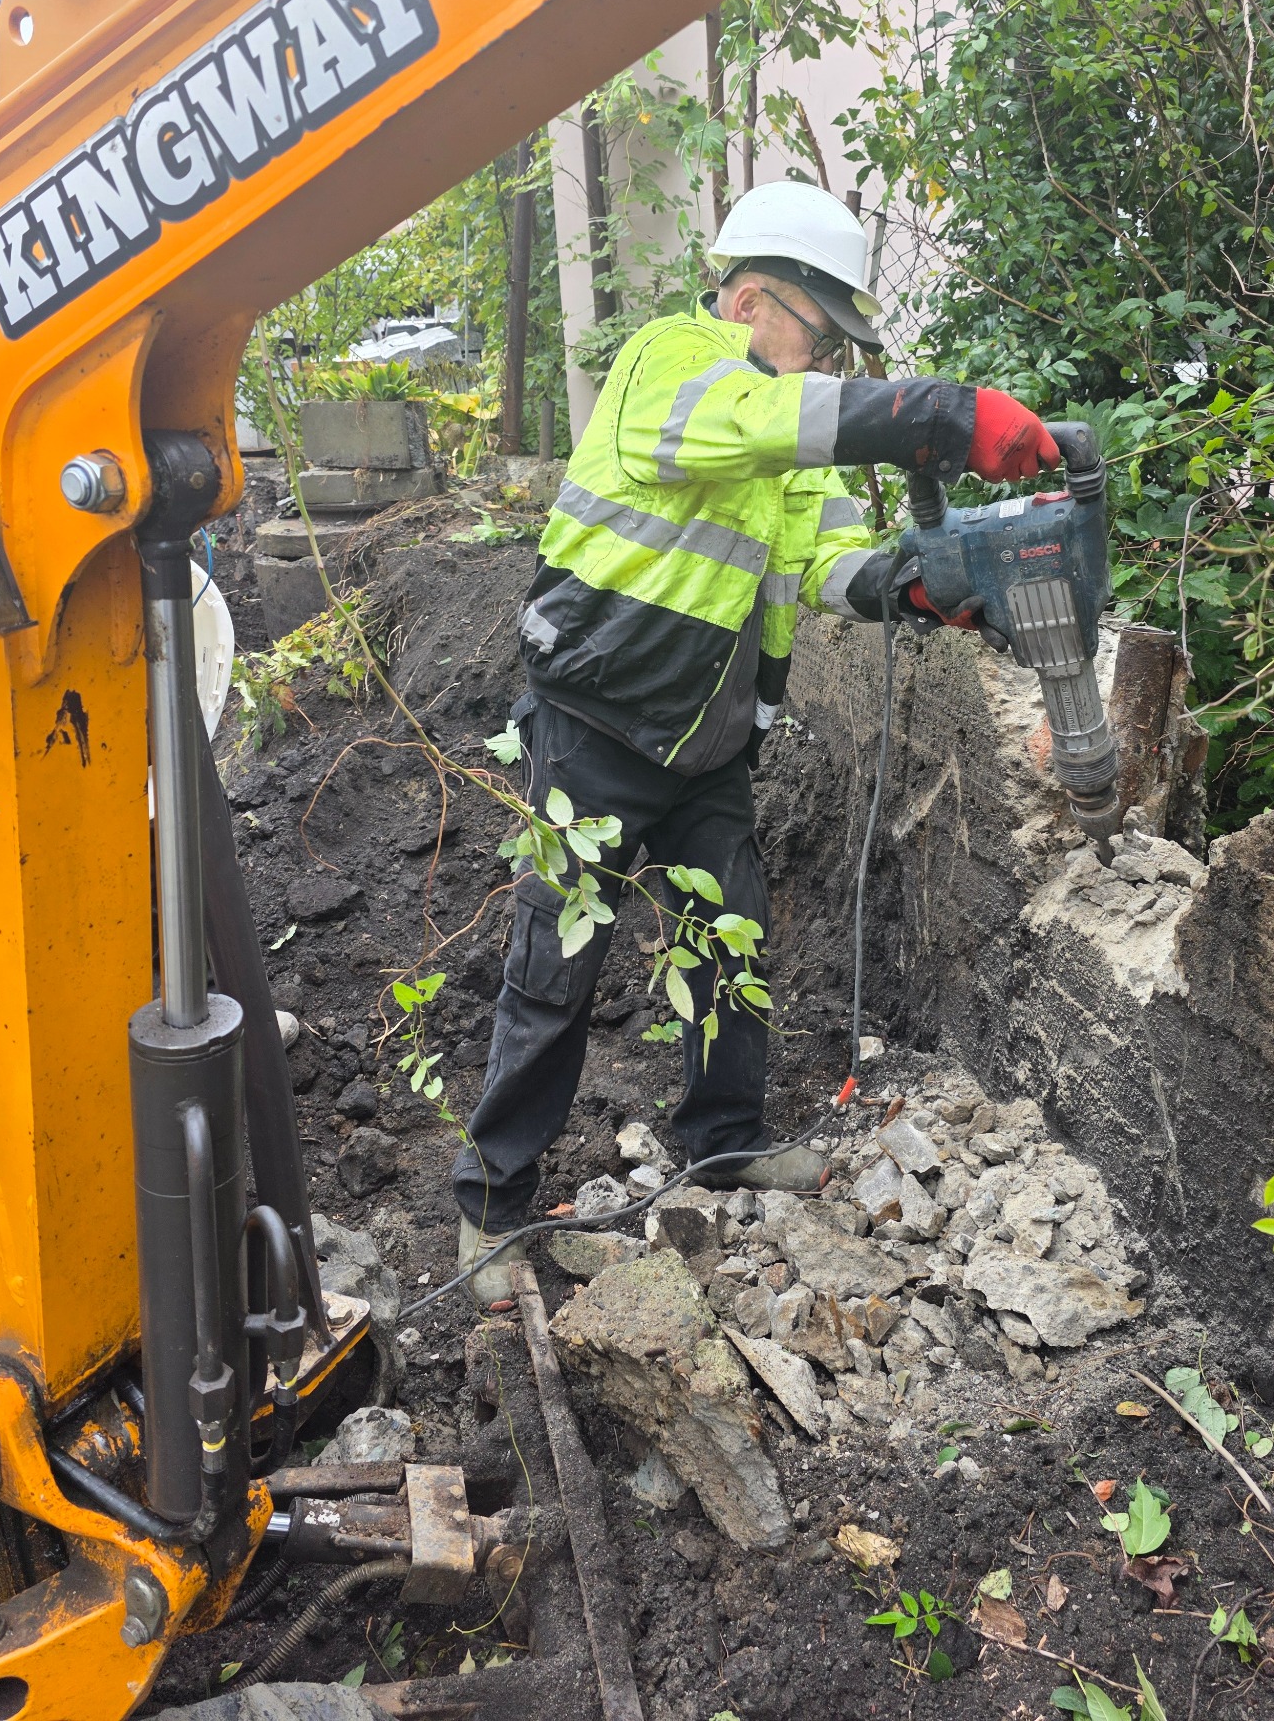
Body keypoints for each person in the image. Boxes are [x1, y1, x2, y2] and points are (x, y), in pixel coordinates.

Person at [452, 180, 1058, 1299]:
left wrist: (915, 585)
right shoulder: (670, 362)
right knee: (557, 958)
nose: (824, 361)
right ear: (746, 303)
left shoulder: (785, 425)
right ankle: (492, 1207)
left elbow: (826, 559)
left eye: (835, 346)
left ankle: (720, 1146)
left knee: (731, 940)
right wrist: (939, 414)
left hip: (708, 739)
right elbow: (762, 421)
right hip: (596, 718)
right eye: (817, 334)